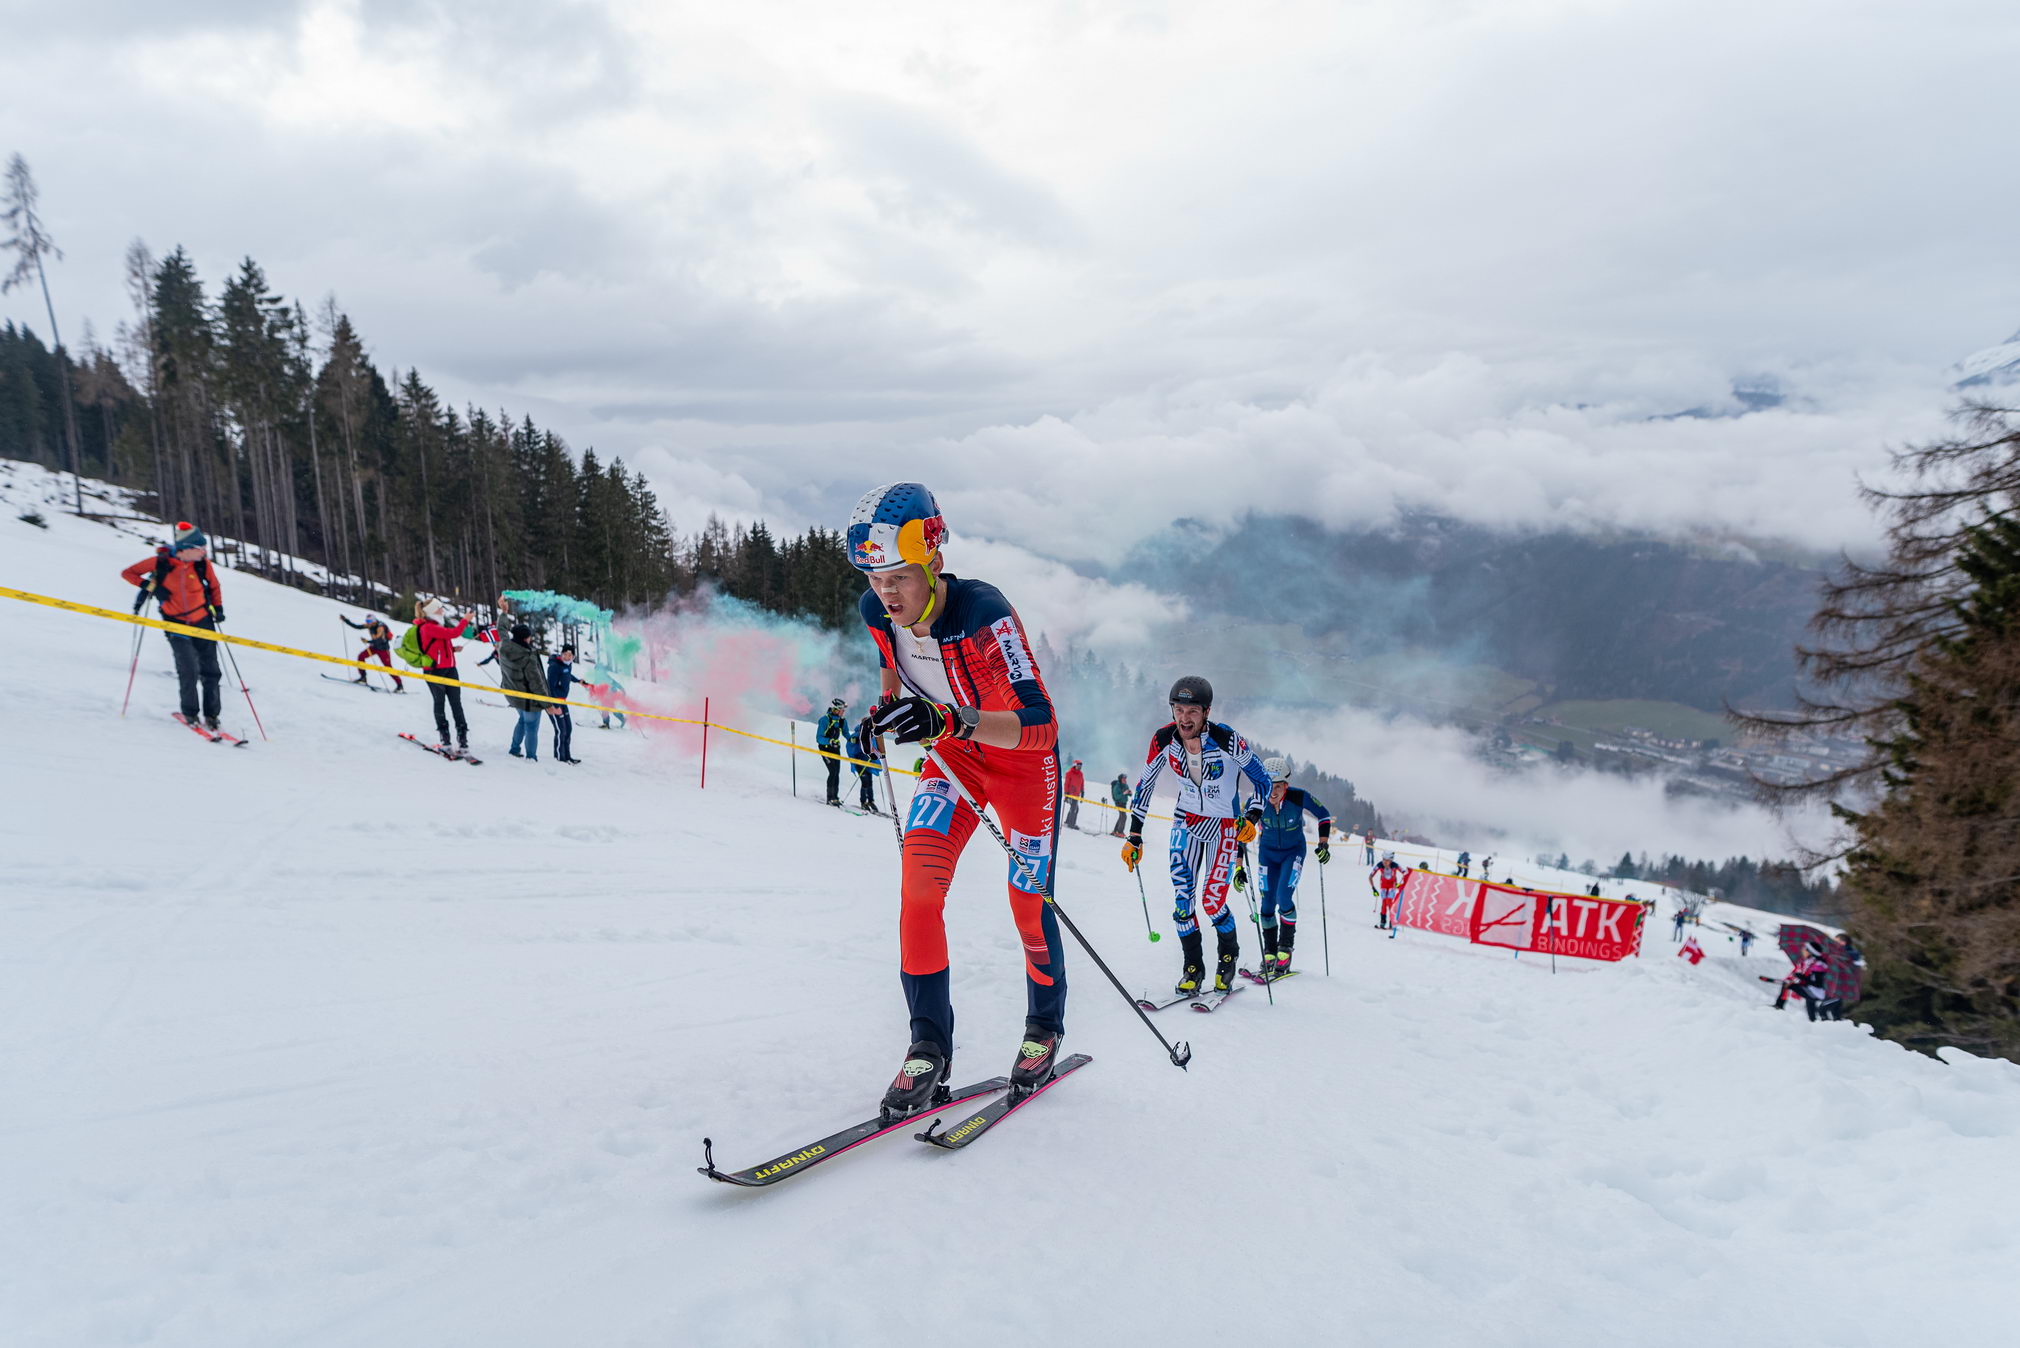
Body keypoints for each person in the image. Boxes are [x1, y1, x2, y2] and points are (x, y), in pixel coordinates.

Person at [847, 482, 1067, 1113]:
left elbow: (1042, 724)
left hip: (1022, 765)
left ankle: (1043, 1028)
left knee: (1028, 903)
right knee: (918, 889)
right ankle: (928, 1046)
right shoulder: (875, 611)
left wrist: (951, 722)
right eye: (873, 576)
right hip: (955, 762)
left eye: (897, 576)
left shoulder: (982, 614)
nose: (885, 593)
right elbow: (894, 663)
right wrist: (887, 709)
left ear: (933, 561)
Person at [1122, 675, 1272, 995]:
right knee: (1182, 900)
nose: (1184, 718)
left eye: (1192, 711)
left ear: (1206, 712)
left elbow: (1263, 781)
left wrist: (1253, 816)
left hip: (1223, 826)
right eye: (1178, 709)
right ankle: (1193, 968)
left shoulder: (1227, 739)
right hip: (1185, 821)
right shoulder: (1164, 739)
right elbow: (1145, 786)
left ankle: (1228, 957)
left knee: (1212, 901)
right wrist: (1134, 835)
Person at [121, 521, 224, 729]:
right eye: (200, 548)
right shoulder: (161, 563)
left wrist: (218, 608)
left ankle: (212, 716)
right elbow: (128, 573)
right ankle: (190, 714)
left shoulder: (203, 564)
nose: (204, 552)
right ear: (186, 550)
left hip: (203, 621)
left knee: (211, 671)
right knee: (188, 670)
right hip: (175, 624)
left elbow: (214, 586)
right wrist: (152, 587)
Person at [1246, 756, 1331, 976]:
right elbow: (1241, 832)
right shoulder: (1256, 800)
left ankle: (1285, 949)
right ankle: (1269, 952)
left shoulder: (1298, 797)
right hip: (1267, 854)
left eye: (1277, 787)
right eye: (1268, 787)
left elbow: (1323, 815)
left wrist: (1323, 843)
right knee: (1266, 905)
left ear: (1286, 785)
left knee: (1284, 897)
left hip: (1293, 853)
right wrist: (1238, 865)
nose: (1272, 793)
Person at [413, 598, 472, 756]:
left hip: (450, 669)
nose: (442, 611)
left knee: (456, 704)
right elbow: (453, 633)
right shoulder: (428, 627)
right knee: (439, 703)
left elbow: (439, 645)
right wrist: (465, 621)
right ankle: (445, 740)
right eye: (439, 609)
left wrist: (452, 650)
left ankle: (463, 740)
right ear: (432, 611)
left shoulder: (437, 626)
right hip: (434, 671)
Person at [498, 622, 547, 761]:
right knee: (531, 726)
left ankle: (514, 749)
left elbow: (501, 629)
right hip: (528, 700)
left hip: (513, 696)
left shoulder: (504, 646)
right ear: (526, 638)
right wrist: (547, 704)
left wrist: (504, 613)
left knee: (522, 720)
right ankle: (531, 757)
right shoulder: (528, 656)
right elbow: (536, 683)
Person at [1774, 940, 1842, 1021]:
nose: (1802, 950)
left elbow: (1818, 984)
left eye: (1805, 949)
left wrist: (1801, 977)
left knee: (1789, 986)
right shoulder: (1809, 962)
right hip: (1811, 990)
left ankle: (1779, 1006)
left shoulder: (1819, 965)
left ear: (1810, 951)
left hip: (1817, 992)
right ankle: (1813, 1022)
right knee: (1810, 1011)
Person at [546, 644, 585, 765]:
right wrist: (555, 706)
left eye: (570, 655)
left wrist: (578, 681)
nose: (568, 657)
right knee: (560, 730)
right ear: (561, 654)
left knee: (568, 729)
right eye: (565, 654)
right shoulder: (554, 666)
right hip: (554, 702)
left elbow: (567, 675)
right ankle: (559, 758)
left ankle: (567, 757)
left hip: (563, 701)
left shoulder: (567, 665)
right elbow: (550, 687)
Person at [341, 613, 403, 689]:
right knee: (361, 657)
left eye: (369, 621)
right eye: (367, 621)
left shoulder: (380, 627)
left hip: (383, 650)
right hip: (374, 647)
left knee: (388, 667)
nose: (367, 623)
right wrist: (346, 620)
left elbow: (379, 640)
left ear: (374, 621)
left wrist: (368, 641)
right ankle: (363, 677)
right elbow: (357, 626)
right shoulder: (370, 625)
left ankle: (399, 685)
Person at [816, 698, 848, 807]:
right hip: (825, 748)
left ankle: (835, 797)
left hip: (835, 749)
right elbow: (819, 738)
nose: (843, 712)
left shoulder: (842, 721)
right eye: (842, 710)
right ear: (836, 709)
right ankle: (830, 798)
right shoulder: (824, 720)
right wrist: (829, 741)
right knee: (832, 772)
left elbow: (847, 734)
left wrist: (856, 740)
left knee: (837, 773)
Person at [848, 715, 882, 813]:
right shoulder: (857, 735)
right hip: (859, 763)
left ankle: (871, 801)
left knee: (870, 782)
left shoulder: (871, 734)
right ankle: (863, 802)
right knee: (865, 782)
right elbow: (853, 749)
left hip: (868, 762)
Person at [1370, 851, 1410, 930]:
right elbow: (1370, 876)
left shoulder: (1395, 865)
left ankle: (1392, 922)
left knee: (1389, 902)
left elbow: (1405, 874)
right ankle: (1382, 922)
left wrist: (1399, 885)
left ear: (1391, 860)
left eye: (1387, 860)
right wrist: (1373, 888)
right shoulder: (1380, 865)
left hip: (1392, 886)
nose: (1385, 862)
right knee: (1384, 904)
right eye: (1384, 859)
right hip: (1383, 887)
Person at [1064, 758, 1085, 830]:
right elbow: (1066, 784)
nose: (1079, 767)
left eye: (1080, 766)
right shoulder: (1069, 773)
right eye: (1078, 766)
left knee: (1073, 808)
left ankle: (1068, 821)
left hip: (1077, 794)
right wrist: (1066, 794)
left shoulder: (1080, 774)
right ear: (1075, 765)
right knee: (1074, 808)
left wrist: (1082, 793)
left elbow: (1082, 783)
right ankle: (1071, 824)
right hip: (1070, 794)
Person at [1109, 772, 1129, 837]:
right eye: (1123, 779)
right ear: (1120, 779)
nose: (1125, 780)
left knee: (1121, 816)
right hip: (1119, 803)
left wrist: (1129, 793)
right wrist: (1124, 793)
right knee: (1123, 817)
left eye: (1125, 779)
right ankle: (1120, 832)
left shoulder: (1126, 785)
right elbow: (1116, 796)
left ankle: (1115, 831)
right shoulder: (1117, 786)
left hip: (1124, 803)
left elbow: (1127, 793)